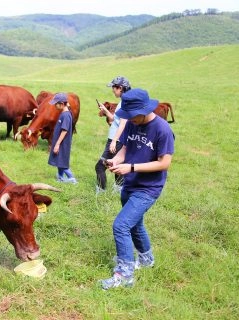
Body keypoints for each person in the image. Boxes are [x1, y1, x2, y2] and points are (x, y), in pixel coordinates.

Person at [99, 88, 175, 290]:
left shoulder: (162, 129)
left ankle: (125, 275)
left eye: (132, 116)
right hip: (130, 183)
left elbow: (164, 163)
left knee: (121, 225)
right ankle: (147, 260)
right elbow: (124, 150)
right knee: (135, 224)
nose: (129, 119)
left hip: (148, 188)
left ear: (144, 110)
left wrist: (131, 167)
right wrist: (114, 161)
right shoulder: (133, 124)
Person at [95, 76, 131, 194]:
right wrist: (106, 111)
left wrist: (114, 140)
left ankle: (100, 192)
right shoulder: (124, 101)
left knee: (100, 166)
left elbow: (123, 123)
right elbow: (117, 120)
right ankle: (119, 191)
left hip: (115, 140)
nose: (112, 90)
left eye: (114, 88)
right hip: (119, 139)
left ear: (120, 88)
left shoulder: (125, 102)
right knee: (117, 166)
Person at [48, 92, 77, 184]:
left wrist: (57, 144)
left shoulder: (66, 115)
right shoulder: (64, 113)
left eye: (56, 103)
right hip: (60, 143)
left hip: (62, 144)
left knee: (63, 164)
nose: (55, 105)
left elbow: (64, 131)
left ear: (62, 104)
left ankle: (72, 180)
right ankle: (60, 178)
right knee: (59, 161)